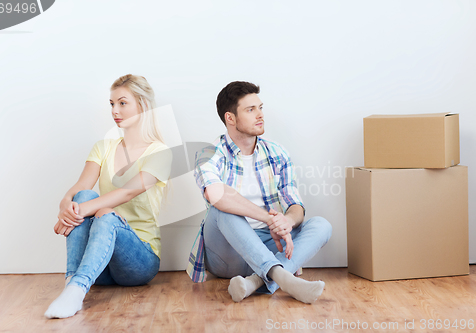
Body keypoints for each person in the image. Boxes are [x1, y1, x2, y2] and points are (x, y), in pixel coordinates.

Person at [187, 81, 332, 303]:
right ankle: (285, 278)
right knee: (222, 208)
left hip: (269, 244)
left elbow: (295, 206)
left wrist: (287, 222)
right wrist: (268, 218)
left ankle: (256, 281)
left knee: (322, 225)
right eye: (250, 109)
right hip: (228, 252)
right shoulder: (209, 153)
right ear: (230, 118)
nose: (260, 115)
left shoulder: (277, 153)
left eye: (260, 107)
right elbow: (215, 195)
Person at [45, 74, 172, 318]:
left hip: (139, 262)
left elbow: (127, 192)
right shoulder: (103, 147)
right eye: (112, 104)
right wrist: (65, 204)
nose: (115, 110)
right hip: (98, 262)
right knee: (83, 195)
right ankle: (72, 283)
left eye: (123, 103)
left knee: (106, 215)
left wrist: (83, 211)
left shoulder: (160, 152)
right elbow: (80, 187)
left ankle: (76, 290)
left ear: (142, 105)